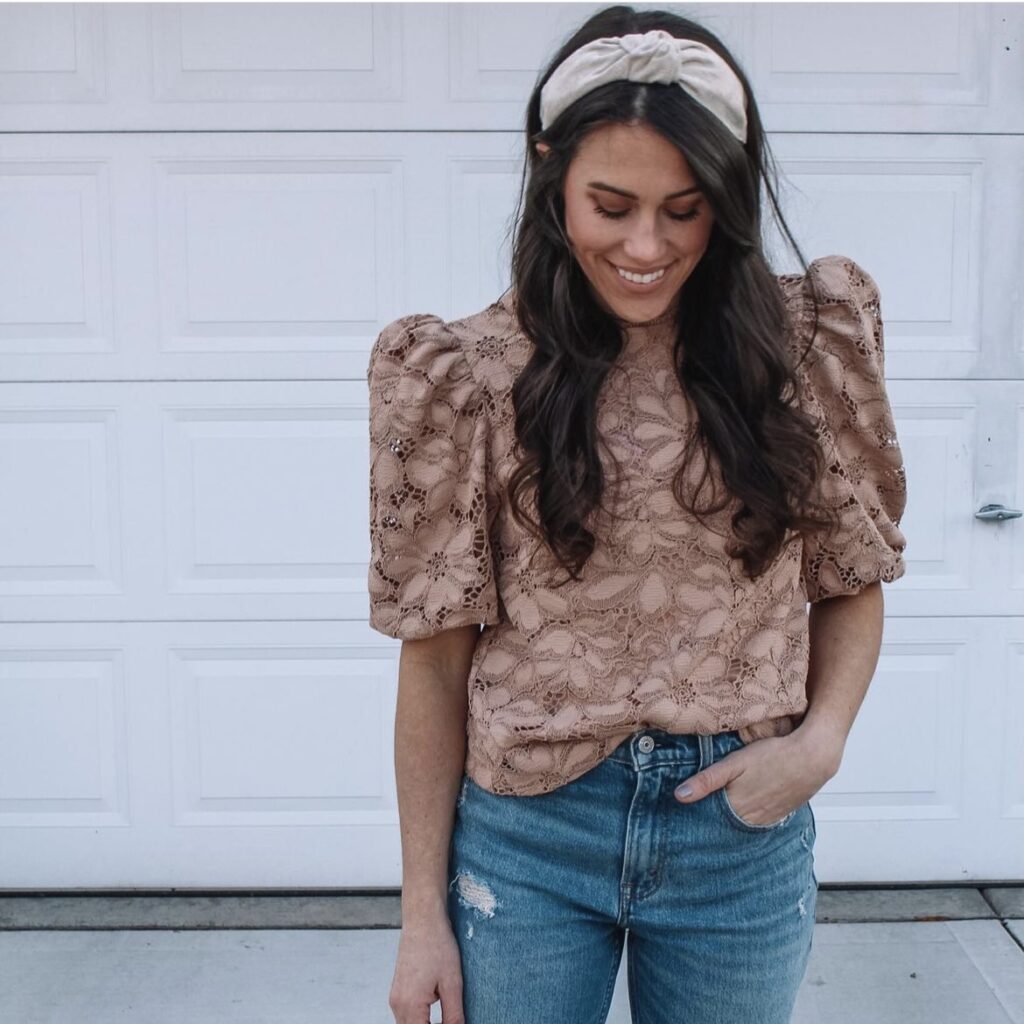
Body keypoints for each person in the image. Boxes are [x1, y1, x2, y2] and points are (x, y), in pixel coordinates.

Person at [367, 7, 907, 1024]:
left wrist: (820, 741)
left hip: (738, 835)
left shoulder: (803, 348)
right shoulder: (466, 375)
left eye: (685, 208)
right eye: (609, 206)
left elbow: (851, 579)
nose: (646, 245)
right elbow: (433, 659)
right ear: (549, 178)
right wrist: (420, 918)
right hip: (525, 837)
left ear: (731, 200)